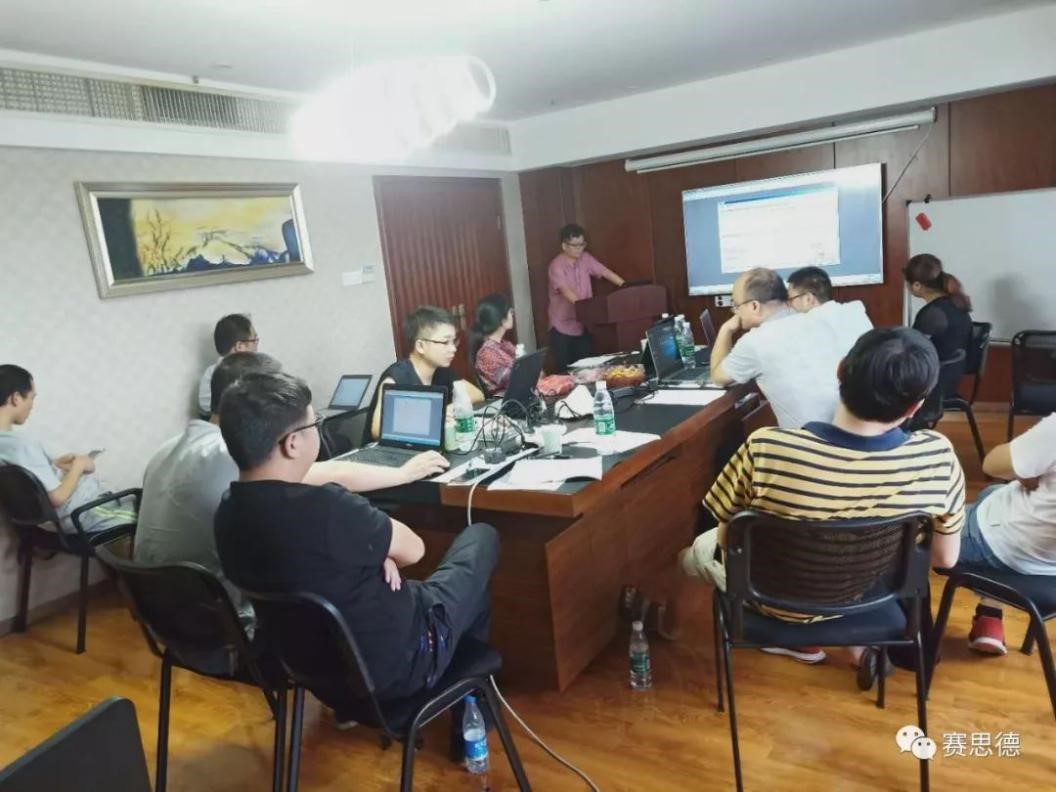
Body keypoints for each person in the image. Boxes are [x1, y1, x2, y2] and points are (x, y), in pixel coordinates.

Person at [677, 328, 963, 688]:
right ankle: (853, 642)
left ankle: (663, 625)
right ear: (914, 407)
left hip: (770, 599)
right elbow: (944, 558)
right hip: (863, 595)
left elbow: (726, 540)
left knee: (691, 554)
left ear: (840, 370)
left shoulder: (766, 448)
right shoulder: (937, 457)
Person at [214, 371, 499, 709]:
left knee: (452, 591)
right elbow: (414, 550)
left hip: (316, 674)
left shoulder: (227, 514)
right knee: (481, 537)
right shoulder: (328, 510)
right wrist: (378, 551)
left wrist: (373, 549)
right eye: (314, 424)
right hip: (401, 666)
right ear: (292, 444)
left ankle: (469, 694)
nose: (317, 430)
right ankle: (471, 702)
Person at [136, 352, 448, 617]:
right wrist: (404, 474)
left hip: (158, 611)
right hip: (221, 617)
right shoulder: (237, 455)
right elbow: (333, 474)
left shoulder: (168, 448)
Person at [709, 267, 873, 429]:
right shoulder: (817, 320)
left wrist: (726, 329)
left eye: (736, 305)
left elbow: (718, 377)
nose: (735, 312)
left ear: (754, 306)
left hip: (811, 440)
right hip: (852, 429)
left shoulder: (755, 341)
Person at [957, 413, 1056, 655]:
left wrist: (1026, 468)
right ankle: (989, 615)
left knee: (910, 533)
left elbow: (992, 464)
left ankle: (902, 636)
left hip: (1005, 546)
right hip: (1048, 561)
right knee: (992, 493)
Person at [0, 365, 135, 533]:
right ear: (16, 398)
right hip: (84, 512)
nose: (32, 406)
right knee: (148, 516)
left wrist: (54, 466)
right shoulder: (22, 445)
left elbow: (29, 483)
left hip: (67, 515)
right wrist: (78, 466)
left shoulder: (7, 444)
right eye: (32, 398)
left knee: (139, 502)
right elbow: (57, 497)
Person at [368, 306, 484, 441]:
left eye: (454, 341)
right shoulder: (397, 377)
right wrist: (434, 415)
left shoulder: (441, 370)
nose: (453, 348)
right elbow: (378, 429)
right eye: (445, 342)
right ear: (420, 346)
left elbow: (477, 394)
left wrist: (447, 409)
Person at [547, 223, 626, 371]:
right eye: (575, 245)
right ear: (564, 246)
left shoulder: (586, 258)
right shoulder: (556, 266)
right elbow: (566, 291)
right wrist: (586, 309)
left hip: (582, 324)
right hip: (562, 326)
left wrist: (626, 287)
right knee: (565, 372)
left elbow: (605, 272)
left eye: (582, 244)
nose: (580, 249)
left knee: (587, 369)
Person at [904, 253, 973, 366]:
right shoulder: (956, 303)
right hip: (953, 372)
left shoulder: (932, 314)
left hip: (934, 374)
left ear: (916, 285)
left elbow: (912, 350)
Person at [197, 314, 259, 415]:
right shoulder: (213, 374)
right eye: (254, 340)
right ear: (240, 346)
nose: (256, 345)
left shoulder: (257, 369)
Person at [786, 266, 874, 337]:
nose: (789, 305)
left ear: (808, 299)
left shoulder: (805, 327)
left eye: (791, 299)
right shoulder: (855, 312)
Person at [469, 294, 517, 396]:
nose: (513, 315)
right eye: (511, 312)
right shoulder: (487, 354)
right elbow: (514, 381)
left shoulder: (506, 344)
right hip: (506, 401)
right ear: (502, 320)